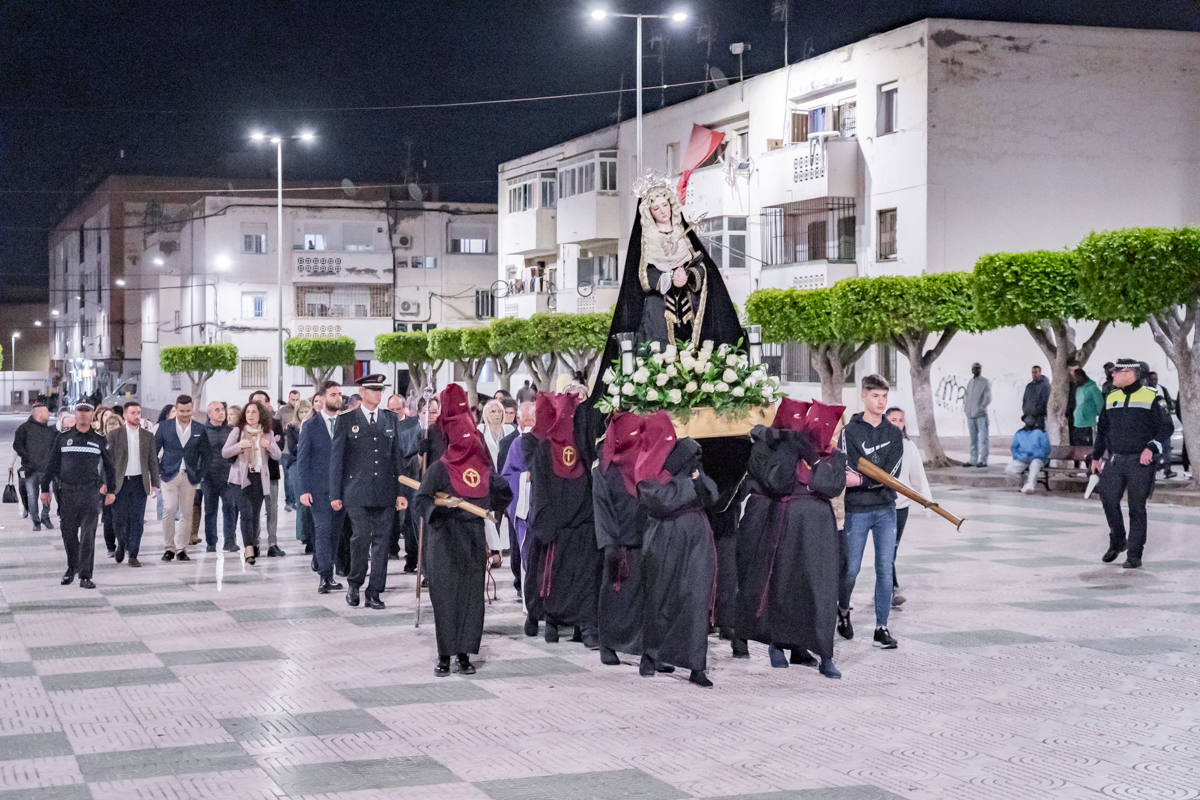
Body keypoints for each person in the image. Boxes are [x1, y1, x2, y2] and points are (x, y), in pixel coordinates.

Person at [591, 175, 744, 399]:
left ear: (672, 204)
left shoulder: (684, 234)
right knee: (659, 355)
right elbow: (642, 275)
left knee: (695, 353)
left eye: (665, 205)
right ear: (649, 213)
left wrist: (688, 275)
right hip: (658, 312)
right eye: (656, 208)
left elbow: (703, 267)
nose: (663, 211)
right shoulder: (647, 239)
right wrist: (668, 278)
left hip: (690, 309)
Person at [737, 398, 846, 679]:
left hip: (819, 529)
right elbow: (778, 483)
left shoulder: (835, 456)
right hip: (787, 523)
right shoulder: (787, 450)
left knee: (820, 590)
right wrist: (790, 450)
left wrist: (814, 459)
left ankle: (825, 654)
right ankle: (778, 645)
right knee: (784, 584)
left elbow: (830, 486)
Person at [414, 412, 513, 677]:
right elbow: (421, 499)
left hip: (472, 539)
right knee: (446, 599)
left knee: (471, 599)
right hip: (444, 540)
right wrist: (438, 510)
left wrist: (494, 491)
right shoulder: (440, 468)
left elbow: (502, 494)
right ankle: (444, 655)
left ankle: (464, 654)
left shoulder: (481, 469)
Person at [635, 412, 718, 687]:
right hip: (663, 535)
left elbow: (711, 494)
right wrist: (688, 483)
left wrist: (696, 480)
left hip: (696, 535)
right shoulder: (645, 463)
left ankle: (696, 665)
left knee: (696, 597)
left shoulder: (686, 455)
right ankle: (652, 655)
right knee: (660, 597)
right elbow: (660, 501)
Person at [329, 374, 411, 610]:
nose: (378, 394)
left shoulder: (389, 419)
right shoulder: (346, 420)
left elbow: (397, 458)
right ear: (362, 393)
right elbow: (337, 460)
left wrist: (401, 492)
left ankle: (374, 591)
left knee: (382, 543)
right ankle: (355, 583)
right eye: (373, 390)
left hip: (385, 491)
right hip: (356, 492)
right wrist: (335, 494)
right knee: (360, 538)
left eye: (380, 390)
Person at [528, 392, 601, 647]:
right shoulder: (544, 450)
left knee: (585, 577)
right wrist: (546, 522)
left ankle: (586, 625)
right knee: (554, 576)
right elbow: (540, 490)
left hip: (583, 526)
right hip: (557, 528)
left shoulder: (585, 446)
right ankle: (552, 621)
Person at [838, 374, 903, 650]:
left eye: (884, 396)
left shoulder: (893, 433)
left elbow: (891, 474)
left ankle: (881, 627)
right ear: (864, 396)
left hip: (886, 509)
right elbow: (847, 469)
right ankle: (842, 610)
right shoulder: (849, 432)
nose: (880, 401)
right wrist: (869, 479)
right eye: (875, 396)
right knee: (851, 569)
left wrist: (865, 480)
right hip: (857, 510)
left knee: (885, 569)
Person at [1092, 358, 1173, 569]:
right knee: (1108, 499)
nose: (1112, 375)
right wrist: (1096, 457)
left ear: (1129, 373)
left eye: (1116, 372)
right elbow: (1103, 430)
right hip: (1116, 460)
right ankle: (1118, 540)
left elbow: (1167, 427)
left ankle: (1134, 554)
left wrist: (1151, 447)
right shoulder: (1111, 397)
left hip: (1140, 461)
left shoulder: (1153, 396)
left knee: (1137, 507)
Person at [592, 412, 649, 666]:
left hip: (645, 537)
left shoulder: (646, 461)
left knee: (646, 596)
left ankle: (647, 648)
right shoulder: (603, 468)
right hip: (618, 542)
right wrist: (609, 544)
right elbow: (602, 507)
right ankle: (609, 643)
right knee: (615, 596)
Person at [39, 402, 116, 589]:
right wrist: (45, 489)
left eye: (87, 411)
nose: (83, 414)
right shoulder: (63, 438)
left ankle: (85, 575)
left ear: (92, 414)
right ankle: (72, 566)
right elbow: (51, 464)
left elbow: (110, 467)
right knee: (68, 532)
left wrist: (111, 490)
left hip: (90, 493)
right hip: (67, 492)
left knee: (88, 534)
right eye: (80, 411)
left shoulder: (99, 439)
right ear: (75, 413)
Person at [298, 381, 346, 594]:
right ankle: (325, 576)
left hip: (342, 489)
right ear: (323, 398)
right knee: (323, 529)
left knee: (335, 532)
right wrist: (303, 489)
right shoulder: (310, 426)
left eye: (339, 394)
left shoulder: (345, 423)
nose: (338, 398)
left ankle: (326, 567)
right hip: (319, 489)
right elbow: (303, 460)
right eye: (333, 394)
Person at [222, 400, 280, 565]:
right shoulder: (237, 431)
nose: (250, 415)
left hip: (259, 479)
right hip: (239, 479)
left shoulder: (267, 433)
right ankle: (248, 549)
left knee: (254, 515)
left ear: (260, 414)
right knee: (246, 513)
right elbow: (225, 452)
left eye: (254, 412)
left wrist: (268, 446)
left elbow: (277, 455)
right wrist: (239, 446)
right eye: (248, 412)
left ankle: (253, 544)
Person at [884, 407, 931, 608]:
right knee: (886, 549)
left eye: (900, 420)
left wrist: (927, 502)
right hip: (880, 504)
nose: (897, 423)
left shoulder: (909, 446)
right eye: (893, 419)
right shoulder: (876, 443)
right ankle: (888, 589)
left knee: (892, 548)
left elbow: (918, 476)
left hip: (901, 505)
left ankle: (888, 587)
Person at [155, 394, 210, 562]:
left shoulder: (199, 429)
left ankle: (181, 549)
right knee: (169, 508)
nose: (185, 414)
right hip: (169, 474)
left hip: (190, 476)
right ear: (176, 408)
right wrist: (158, 471)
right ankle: (169, 547)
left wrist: (200, 473)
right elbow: (153, 451)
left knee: (186, 512)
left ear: (192, 409)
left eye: (188, 411)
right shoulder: (164, 427)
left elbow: (207, 455)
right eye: (181, 411)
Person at [107, 401, 159, 567]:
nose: (137, 416)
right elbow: (107, 462)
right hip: (120, 483)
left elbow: (153, 461)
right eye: (133, 413)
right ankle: (122, 544)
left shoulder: (147, 436)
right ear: (125, 415)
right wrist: (105, 483)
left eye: (139, 413)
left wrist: (155, 483)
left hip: (139, 482)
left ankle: (133, 554)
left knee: (137, 520)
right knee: (119, 519)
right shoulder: (115, 435)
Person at [500, 401, 536, 597]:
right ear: (518, 420)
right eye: (526, 419)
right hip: (523, 506)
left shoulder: (545, 440)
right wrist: (524, 477)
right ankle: (526, 592)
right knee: (523, 551)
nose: (529, 423)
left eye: (533, 419)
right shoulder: (515, 443)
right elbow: (507, 476)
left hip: (541, 505)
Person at [249, 390, 286, 557]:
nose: (258, 404)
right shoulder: (245, 425)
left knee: (272, 510)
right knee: (253, 510)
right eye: (255, 401)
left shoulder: (275, 424)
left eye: (261, 401)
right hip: (253, 475)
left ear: (267, 404)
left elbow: (280, 446)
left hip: (271, 472)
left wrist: (269, 445)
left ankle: (272, 543)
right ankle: (254, 543)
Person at [478, 399, 514, 560]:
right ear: (486, 413)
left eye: (499, 411)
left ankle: (505, 545)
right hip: (488, 476)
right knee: (490, 513)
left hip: (506, 475)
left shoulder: (510, 430)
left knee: (505, 512)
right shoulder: (481, 430)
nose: (497, 414)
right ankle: (494, 548)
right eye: (493, 411)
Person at [13, 402, 57, 531]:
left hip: (46, 471)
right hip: (30, 470)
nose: (49, 414)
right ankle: (36, 521)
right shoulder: (23, 429)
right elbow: (17, 445)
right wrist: (28, 458)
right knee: (32, 497)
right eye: (47, 412)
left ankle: (45, 516)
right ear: (39, 414)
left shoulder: (50, 431)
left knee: (48, 494)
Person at [202, 401, 238, 553]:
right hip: (208, 478)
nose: (221, 412)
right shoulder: (202, 431)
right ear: (210, 414)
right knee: (210, 510)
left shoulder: (232, 431)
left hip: (228, 476)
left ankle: (230, 541)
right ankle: (211, 542)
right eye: (217, 410)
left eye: (222, 409)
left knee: (230, 508)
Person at [95, 409, 124, 558]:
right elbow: (100, 467)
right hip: (107, 485)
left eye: (115, 425)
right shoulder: (103, 444)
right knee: (108, 518)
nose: (113, 429)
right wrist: (102, 483)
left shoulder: (126, 443)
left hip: (124, 484)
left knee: (122, 517)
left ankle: (123, 544)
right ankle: (111, 546)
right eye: (110, 426)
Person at [287, 400, 314, 551]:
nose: (304, 414)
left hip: (313, 465)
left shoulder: (315, 425)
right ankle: (304, 535)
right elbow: (293, 449)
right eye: (301, 412)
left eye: (306, 411)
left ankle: (313, 537)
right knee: (302, 501)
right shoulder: (292, 427)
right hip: (296, 464)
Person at [1006, 415, 1051, 494]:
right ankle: (1024, 484)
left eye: (1032, 418)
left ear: (1035, 420)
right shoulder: (1019, 433)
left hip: (1038, 458)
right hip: (1023, 458)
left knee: (1035, 464)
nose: (1030, 420)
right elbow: (1014, 448)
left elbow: (1045, 449)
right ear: (1024, 420)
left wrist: (1033, 456)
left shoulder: (1041, 432)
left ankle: (1030, 486)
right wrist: (1021, 457)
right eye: (1028, 418)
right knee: (1009, 469)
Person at [1146, 371, 1177, 479]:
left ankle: (1167, 470)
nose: (1154, 381)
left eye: (1156, 379)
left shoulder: (1162, 389)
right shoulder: (1145, 392)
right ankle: (1153, 471)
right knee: (1155, 449)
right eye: (1152, 379)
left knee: (1167, 448)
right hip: (1153, 427)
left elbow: (1169, 403)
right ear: (1148, 380)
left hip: (1164, 424)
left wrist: (1167, 407)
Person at [277, 389, 302, 512]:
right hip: (286, 449)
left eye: (297, 399)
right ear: (288, 398)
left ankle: (296, 501)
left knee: (297, 476)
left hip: (300, 448)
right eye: (293, 399)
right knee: (288, 476)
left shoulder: (302, 410)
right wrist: (285, 429)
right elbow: (276, 427)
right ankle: (289, 502)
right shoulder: (282, 411)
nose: (295, 402)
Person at [963, 362, 991, 468]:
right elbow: (966, 397)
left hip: (981, 416)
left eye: (978, 368)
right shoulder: (970, 382)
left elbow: (988, 397)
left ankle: (983, 460)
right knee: (973, 439)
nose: (977, 370)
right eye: (975, 368)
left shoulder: (985, 382)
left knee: (983, 439)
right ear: (972, 370)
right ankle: (973, 460)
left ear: (980, 369)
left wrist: (981, 408)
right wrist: (966, 409)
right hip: (970, 415)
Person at [1072, 369, 1104, 448]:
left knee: (1088, 448)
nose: (1075, 380)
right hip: (1077, 422)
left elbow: (1100, 404)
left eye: (1076, 378)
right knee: (1078, 447)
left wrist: (1098, 414)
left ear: (1081, 376)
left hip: (1088, 423)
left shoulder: (1093, 388)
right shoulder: (1078, 388)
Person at [1022, 366, 1050, 430]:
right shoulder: (1029, 386)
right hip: (1028, 418)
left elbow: (1045, 401)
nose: (1034, 374)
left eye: (1036, 372)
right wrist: (1025, 411)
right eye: (1032, 372)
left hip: (1039, 419)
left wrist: (1036, 413)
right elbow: (1024, 400)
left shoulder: (1045, 386)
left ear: (1040, 372)